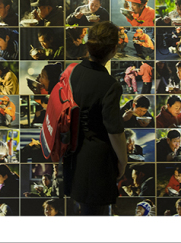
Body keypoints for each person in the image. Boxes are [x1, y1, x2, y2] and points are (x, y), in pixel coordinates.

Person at [63, 21, 128, 215]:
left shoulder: (74, 71)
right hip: (98, 164)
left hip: (74, 155)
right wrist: (123, 161)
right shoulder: (110, 85)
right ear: (114, 50)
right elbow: (114, 131)